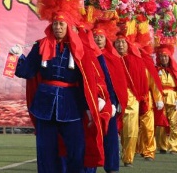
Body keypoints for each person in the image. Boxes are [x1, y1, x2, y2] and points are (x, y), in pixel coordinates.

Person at [10, 10, 108, 172]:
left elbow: (90, 76)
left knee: (76, 150)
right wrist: (16, 56)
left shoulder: (79, 48)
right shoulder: (40, 45)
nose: (58, 27)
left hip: (72, 105)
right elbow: (26, 72)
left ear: (68, 26)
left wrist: (92, 104)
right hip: (44, 105)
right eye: (55, 23)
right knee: (46, 150)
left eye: (61, 24)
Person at [90, 25, 128, 173]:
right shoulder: (87, 55)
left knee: (110, 135)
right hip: (91, 99)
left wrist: (115, 102)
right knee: (90, 134)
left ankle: (111, 166)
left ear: (106, 40)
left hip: (109, 101)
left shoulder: (113, 58)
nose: (98, 39)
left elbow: (119, 82)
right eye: (95, 36)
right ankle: (89, 165)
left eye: (101, 36)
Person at [112, 35, 150, 167]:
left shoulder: (136, 61)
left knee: (131, 129)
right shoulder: (110, 59)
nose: (120, 45)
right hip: (113, 98)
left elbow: (143, 81)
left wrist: (143, 97)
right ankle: (112, 155)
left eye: (123, 42)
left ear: (128, 45)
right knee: (114, 129)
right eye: (118, 42)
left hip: (131, 98)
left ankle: (128, 157)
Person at [155, 45, 177, 155]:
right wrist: (157, 99)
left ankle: (174, 147)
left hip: (173, 100)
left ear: (169, 57)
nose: (163, 58)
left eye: (165, 56)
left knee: (175, 124)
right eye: (161, 56)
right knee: (160, 124)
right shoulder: (156, 70)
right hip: (160, 100)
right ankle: (162, 146)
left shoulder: (176, 70)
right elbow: (153, 86)